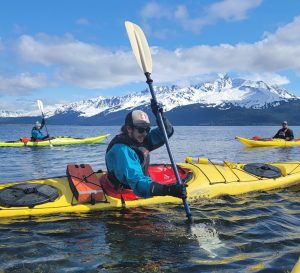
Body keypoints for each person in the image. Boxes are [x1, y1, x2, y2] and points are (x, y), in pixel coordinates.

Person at [105, 106, 186, 199]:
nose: (145, 133)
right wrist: (168, 190)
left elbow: (166, 132)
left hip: (138, 181)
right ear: (129, 129)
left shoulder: (140, 138)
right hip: (126, 189)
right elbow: (138, 183)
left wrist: (160, 116)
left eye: (147, 129)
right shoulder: (123, 150)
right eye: (141, 129)